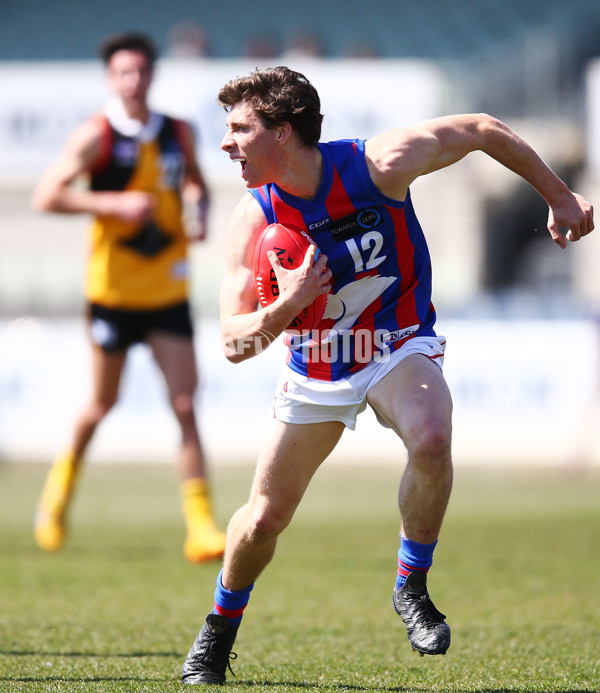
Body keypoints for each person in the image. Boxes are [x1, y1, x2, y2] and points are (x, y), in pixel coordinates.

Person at [181, 66, 594, 684]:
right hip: (314, 367)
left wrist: (558, 195)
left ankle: (411, 584)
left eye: (240, 128)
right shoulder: (253, 216)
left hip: (394, 346)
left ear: (284, 132)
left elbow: (482, 128)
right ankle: (218, 628)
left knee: (431, 436)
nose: (226, 142)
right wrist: (287, 306)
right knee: (264, 517)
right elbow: (235, 343)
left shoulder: (379, 164)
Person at [31, 32, 226, 565]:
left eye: (141, 71)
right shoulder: (95, 135)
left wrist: (198, 209)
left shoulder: (178, 132)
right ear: (111, 79)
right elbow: (46, 195)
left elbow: (197, 185)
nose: (133, 81)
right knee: (100, 405)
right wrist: (112, 203)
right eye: (124, 73)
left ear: (153, 75)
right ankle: (56, 498)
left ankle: (201, 525)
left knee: (185, 404)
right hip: (113, 293)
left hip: (168, 290)